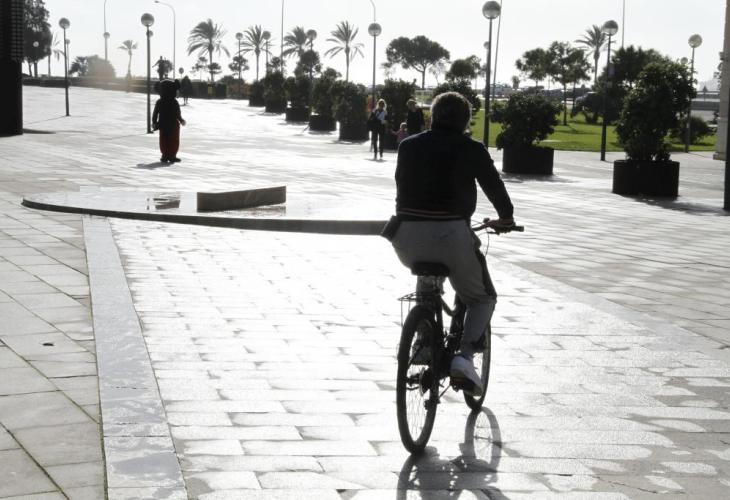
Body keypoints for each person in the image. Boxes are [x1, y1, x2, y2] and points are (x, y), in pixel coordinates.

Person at [386, 91, 516, 397]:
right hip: (451, 236)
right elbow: (494, 187)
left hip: (406, 237)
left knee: (426, 278)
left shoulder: (408, 146)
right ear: (465, 122)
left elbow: (402, 186)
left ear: (432, 117)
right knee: (483, 298)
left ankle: (422, 342)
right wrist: (506, 218)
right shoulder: (471, 149)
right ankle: (464, 356)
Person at [152, 79, 186, 163]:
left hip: (162, 123)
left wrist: (154, 122)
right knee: (173, 140)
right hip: (173, 124)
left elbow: (155, 113)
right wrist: (181, 120)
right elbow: (178, 113)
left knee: (164, 140)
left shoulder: (160, 102)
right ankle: (172, 155)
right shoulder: (174, 102)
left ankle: (165, 155)